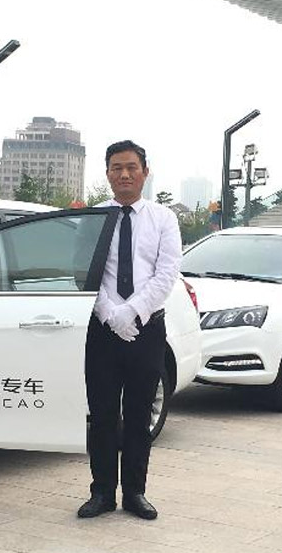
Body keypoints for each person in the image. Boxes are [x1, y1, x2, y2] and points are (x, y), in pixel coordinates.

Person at [76, 140, 180, 521]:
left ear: (145, 173)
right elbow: (83, 270)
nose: (124, 174)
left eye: (131, 167)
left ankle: (135, 492)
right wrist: (110, 314)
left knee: (139, 414)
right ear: (107, 174)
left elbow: (166, 273)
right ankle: (102, 492)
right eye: (116, 168)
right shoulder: (94, 218)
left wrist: (132, 312)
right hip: (102, 330)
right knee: (102, 413)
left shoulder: (163, 219)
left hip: (147, 329)